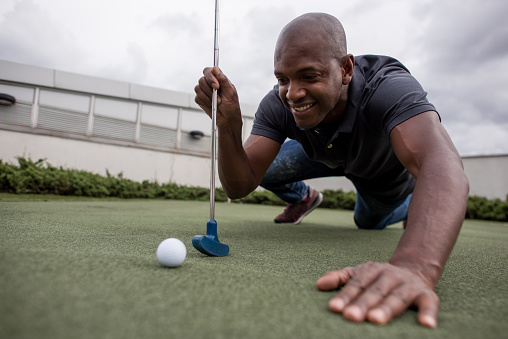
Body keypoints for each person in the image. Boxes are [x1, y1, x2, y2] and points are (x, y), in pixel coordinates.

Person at [194, 13, 469, 328]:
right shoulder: (279, 102)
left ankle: (407, 205)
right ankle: (305, 198)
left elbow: (443, 165)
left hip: (380, 174)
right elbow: (239, 185)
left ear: (347, 69)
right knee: (265, 171)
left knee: (366, 222)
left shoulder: (388, 86)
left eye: (309, 76)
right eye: (283, 78)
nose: (292, 93)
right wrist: (229, 126)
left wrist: (415, 266)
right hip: (323, 154)